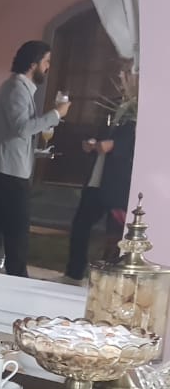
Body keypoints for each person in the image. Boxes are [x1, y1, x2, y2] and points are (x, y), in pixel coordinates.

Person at [0, 41, 70, 276]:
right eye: (46, 61)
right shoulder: (16, 88)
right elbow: (22, 128)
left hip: (8, 168)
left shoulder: (20, 88)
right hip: (9, 171)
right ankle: (17, 276)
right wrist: (56, 114)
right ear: (33, 63)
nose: (48, 67)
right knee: (17, 229)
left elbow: (16, 135)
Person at [66, 118, 136, 280]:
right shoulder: (112, 114)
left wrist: (114, 145)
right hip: (95, 183)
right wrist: (91, 144)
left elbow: (131, 145)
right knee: (80, 227)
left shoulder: (137, 119)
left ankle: (111, 277)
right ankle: (74, 272)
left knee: (114, 235)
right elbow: (101, 138)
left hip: (117, 186)